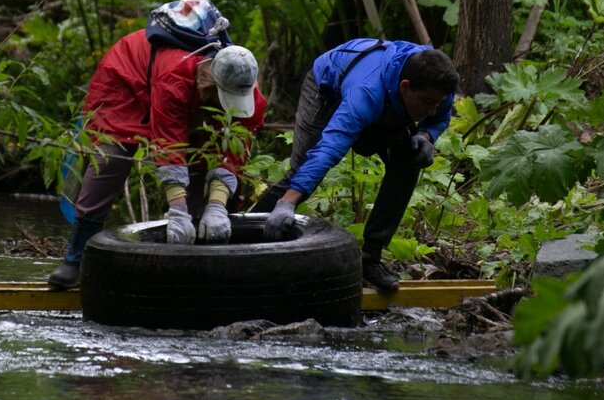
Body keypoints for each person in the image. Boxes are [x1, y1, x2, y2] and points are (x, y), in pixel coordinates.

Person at [48, 29, 266, 289]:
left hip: (191, 93)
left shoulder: (247, 91)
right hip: (127, 81)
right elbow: (169, 145)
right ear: (212, 84)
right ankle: (75, 260)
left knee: (199, 166)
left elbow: (233, 151)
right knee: (112, 158)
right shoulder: (175, 80)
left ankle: (193, 269)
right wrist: (177, 209)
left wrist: (217, 206)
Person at [249, 38, 458, 293]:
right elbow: (330, 147)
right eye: (427, 103)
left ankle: (370, 260)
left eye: (438, 102)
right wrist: (288, 202)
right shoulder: (365, 94)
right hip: (328, 89)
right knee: (302, 169)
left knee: (409, 158)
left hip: (387, 102)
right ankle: (246, 233)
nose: (433, 108)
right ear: (406, 87)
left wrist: (425, 137)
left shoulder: (436, 86)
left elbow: (440, 117)